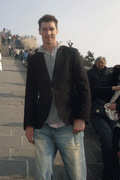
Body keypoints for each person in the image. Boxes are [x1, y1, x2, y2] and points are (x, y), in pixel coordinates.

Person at [24, 14, 91, 180]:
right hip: (43, 126)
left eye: (51, 29)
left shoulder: (71, 54)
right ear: (39, 31)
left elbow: (84, 87)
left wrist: (82, 118)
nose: (48, 32)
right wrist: (28, 124)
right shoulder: (34, 59)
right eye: (44, 29)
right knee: (42, 175)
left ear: (57, 30)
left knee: (77, 175)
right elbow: (31, 93)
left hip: (68, 124)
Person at [92, 65, 120, 180]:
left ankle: (112, 173)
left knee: (115, 143)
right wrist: (114, 88)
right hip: (99, 112)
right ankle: (110, 174)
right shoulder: (111, 77)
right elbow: (94, 89)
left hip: (114, 116)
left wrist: (117, 106)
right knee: (108, 141)